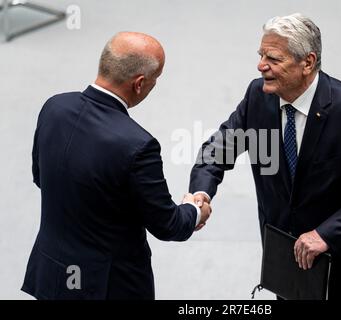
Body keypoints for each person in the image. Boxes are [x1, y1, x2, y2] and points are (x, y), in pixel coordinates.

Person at [189, 13, 341, 299]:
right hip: (291, 260)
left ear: (308, 62)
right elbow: (218, 149)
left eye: (274, 58)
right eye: (261, 54)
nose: (261, 65)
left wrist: (325, 234)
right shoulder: (258, 96)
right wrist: (201, 192)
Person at [22, 32, 211, 300]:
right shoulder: (138, 144)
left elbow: (42, 177)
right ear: (139, 83)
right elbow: (168, 225)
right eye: (155, 81)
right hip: (108, 286)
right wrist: (194, 210)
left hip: (53, 273)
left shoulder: (53, 107)